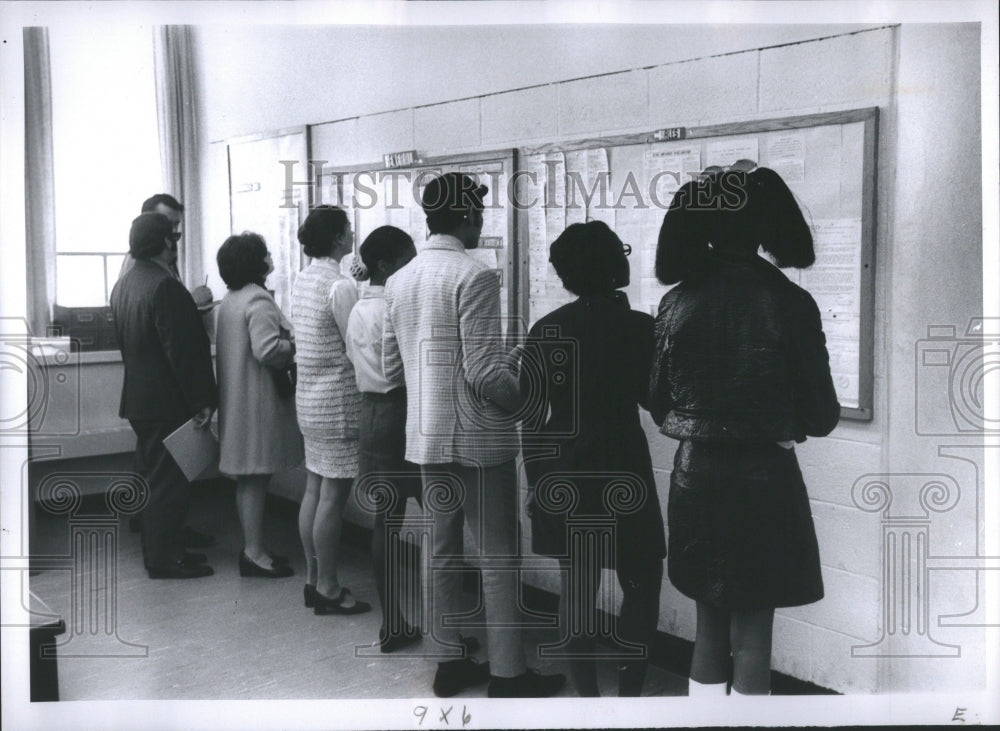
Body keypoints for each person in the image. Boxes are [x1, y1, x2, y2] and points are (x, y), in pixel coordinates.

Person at [648, 164, 841, 696]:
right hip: (765, 479)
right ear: (764, 226)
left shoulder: (676, 302)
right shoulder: (792, 302)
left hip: (696, 477)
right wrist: (782, 426)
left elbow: (658, 399)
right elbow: (822, 416)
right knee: (754, 637)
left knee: (708, 629)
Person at [383, 172, 565, 698]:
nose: (480, 222)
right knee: (498, 555)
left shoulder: (401, 279)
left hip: (426, 437)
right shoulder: (475, 275)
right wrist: (526, 397)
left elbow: (397, 368)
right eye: (478, 214)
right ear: (466, 218)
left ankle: (447, 662)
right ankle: (509, 673)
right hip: (479, 442)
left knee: (439, 551)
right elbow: (485, 373)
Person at [520, 221, 666, 697]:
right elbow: (654, 402)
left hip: (563, 465)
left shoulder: (546, 329)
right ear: (614, 264)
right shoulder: (642, 326)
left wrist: (537, 484)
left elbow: (531, 418)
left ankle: (587, 701)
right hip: (623, 460)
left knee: (577, 590)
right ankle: (630, 698)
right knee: (641, 580)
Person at [110, 212, 217, 579]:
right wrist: (203, 399)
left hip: (140, 398)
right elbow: (183, 353)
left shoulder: (125, 283)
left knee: (157, 478)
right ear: (165, 243)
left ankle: (168, 550)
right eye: (174, 237)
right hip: (166, 401)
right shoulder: (165, 285)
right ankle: (163, 558)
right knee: (167, 483)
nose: (177, 243)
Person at [344, 226, 423, 651]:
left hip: (371, 413)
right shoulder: (395, 307)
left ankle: (393, 621)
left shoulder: (358, 307)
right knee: (439, 519)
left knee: (385, 523)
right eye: (409, 261)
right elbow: (402, 370)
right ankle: (445, 628)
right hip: (402, 411)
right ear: (385, 266)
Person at [291, 205, 371, 615]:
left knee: (313, 488)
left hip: (308, 398)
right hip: (338, 402)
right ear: (339, 238)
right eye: (348, 230)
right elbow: (354, 342)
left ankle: (312, 578)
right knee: (333, 498)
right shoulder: (339, 287)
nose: (353, 234)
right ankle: (328, 586)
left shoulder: (304, 278)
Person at [215, 232, 304, 579]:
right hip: (257, 404)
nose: (271, 257)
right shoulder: (259, 300)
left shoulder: (231, 298)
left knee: (248, 480)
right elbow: (267, 350)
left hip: (239, 402)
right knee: (255, 479)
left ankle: (254, 548)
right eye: (266, 253)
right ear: (257, 263)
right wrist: (294, 345)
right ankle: (253, 552)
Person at [119, 194, 185, 281]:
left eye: (176, 224)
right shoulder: (136, 262)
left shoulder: (163, 256)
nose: (173, 230)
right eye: (166, 223)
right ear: (147, 222)